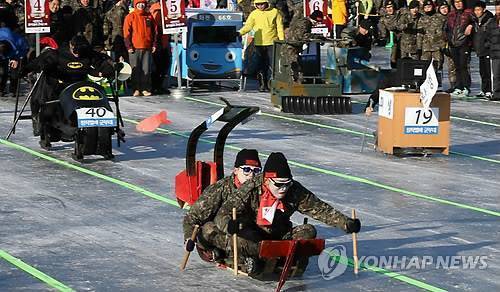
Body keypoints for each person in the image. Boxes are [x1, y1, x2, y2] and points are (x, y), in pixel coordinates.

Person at [196, 152, 361, 274]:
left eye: (287, 184)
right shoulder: (251, 188)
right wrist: (229, 224)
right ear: (267, 181)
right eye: (279, 185)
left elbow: (320, 209)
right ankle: (252, 259)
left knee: (308, 231)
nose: (283, 189)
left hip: (279, 233)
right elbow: (224, 212)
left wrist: (346, 223)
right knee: (234, 236)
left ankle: (290, 260)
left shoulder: (293, 190)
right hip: (253, 234)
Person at [20, 36, 115, 149]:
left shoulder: (89, 53)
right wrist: (21, 70)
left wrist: (108, 69)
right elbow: (34, 64)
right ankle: (46, 127)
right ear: (71, 46)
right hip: (58, 86)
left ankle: (98, 128)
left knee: (95, 99)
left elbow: (102, 63)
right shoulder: (56, 54)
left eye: (81, 53)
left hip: (79, 87)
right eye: (76, 52)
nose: (78, 55)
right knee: (49, 104)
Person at [183, 149, 262, 262]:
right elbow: (193, 216)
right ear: (235, 170)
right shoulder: (220, 189)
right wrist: (189, 238)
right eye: (246, 170)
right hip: (222, 231)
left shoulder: (259, 189)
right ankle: (221, 252)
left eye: (256, 171)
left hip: (247, 230)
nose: (251, 175)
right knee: (208, 229)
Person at [238, 0, 284, 92]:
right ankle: (262, 85)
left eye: (262, 4)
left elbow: (279, 27)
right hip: (259, 43)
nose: (260, 6)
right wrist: (240, 33)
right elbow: (248, 26)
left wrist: (282, 41)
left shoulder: (275, 12)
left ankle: (272, 85)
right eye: (258, 4)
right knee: (260, 65)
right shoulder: (254, 14)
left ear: (267, 3)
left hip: (272, 43)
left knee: (272, 65)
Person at [123, 0, 157, 97]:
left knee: (146, 69)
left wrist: (154, 45)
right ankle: (136, 89)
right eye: (139, 4)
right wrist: (128, 46)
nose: (141, 5)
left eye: (143, 4)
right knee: (136, 69)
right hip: (134, 48)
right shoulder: (130, 16)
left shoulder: (149, 16)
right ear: (135, 5)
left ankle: (145, 88)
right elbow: (126, 32)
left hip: (147, 47)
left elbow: (155, 32)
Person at [284, 10, 324, 83]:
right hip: (291, 46)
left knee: (298, 65)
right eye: (316, 21)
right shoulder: (305, 23)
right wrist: (317, 37)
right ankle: (295, 85)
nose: (317, 23)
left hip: (294, 45)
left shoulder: (305, 21)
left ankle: (299, 82)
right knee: (294, 66)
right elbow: (302, 35)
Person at [445, 0, 474, 97]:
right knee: (457, 66)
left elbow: (477, 22)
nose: (458, 4)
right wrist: (448, 40)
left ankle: (466, 86)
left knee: (463, 65)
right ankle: (458, 86)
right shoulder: (451, 14)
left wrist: (471, 25)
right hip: (453, 44)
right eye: (456, 2)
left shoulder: (468, 13)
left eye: (460, 1)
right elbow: (446, 28)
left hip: (464, 43)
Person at [471, 1, 494, 99]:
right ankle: (484, 89)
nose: (477, 12)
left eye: (479, 10)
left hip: (488, 50)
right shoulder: (476, 20)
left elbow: (492, 35)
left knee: (488, 71)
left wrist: (486, 45)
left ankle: (489, 90)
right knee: (482, 71)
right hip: (480, 50)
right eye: (475, 10)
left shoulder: (489, 20)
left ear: (483, 10)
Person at [417, 0, 447, 71]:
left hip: (437, 48)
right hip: (425, 48)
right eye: (426, 7)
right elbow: (419, 34)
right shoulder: (422, 19)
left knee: (437, 67)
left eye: (429, 7)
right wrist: (419, 47)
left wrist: (444, 46)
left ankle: (437, 81)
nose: (427, 9)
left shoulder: (440, 18)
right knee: (424, 67)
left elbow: (444, 33)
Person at [0, 27, 28, 97]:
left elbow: (25, 49)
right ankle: (0, 90)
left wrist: (17, 59)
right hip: (7, 51)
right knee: (2, 71)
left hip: (16, 53)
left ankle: (13, 90)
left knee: (14, 70)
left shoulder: (19, 41)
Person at [378, 0, 402, 68]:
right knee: (393, 60)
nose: (389, 9)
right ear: (385, 9)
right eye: (388, 7)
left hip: (402, 43)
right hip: (391, 44)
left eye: (391, 7)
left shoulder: (400, 15)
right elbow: (383, 34)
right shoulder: (383, 19)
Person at [484, 2, 500, 101]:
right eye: (497, 9)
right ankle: (497, 94)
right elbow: (487, 37)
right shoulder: (492, 22)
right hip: (495, 53)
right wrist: (489, 46)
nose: (499, 12)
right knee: (496, 75)